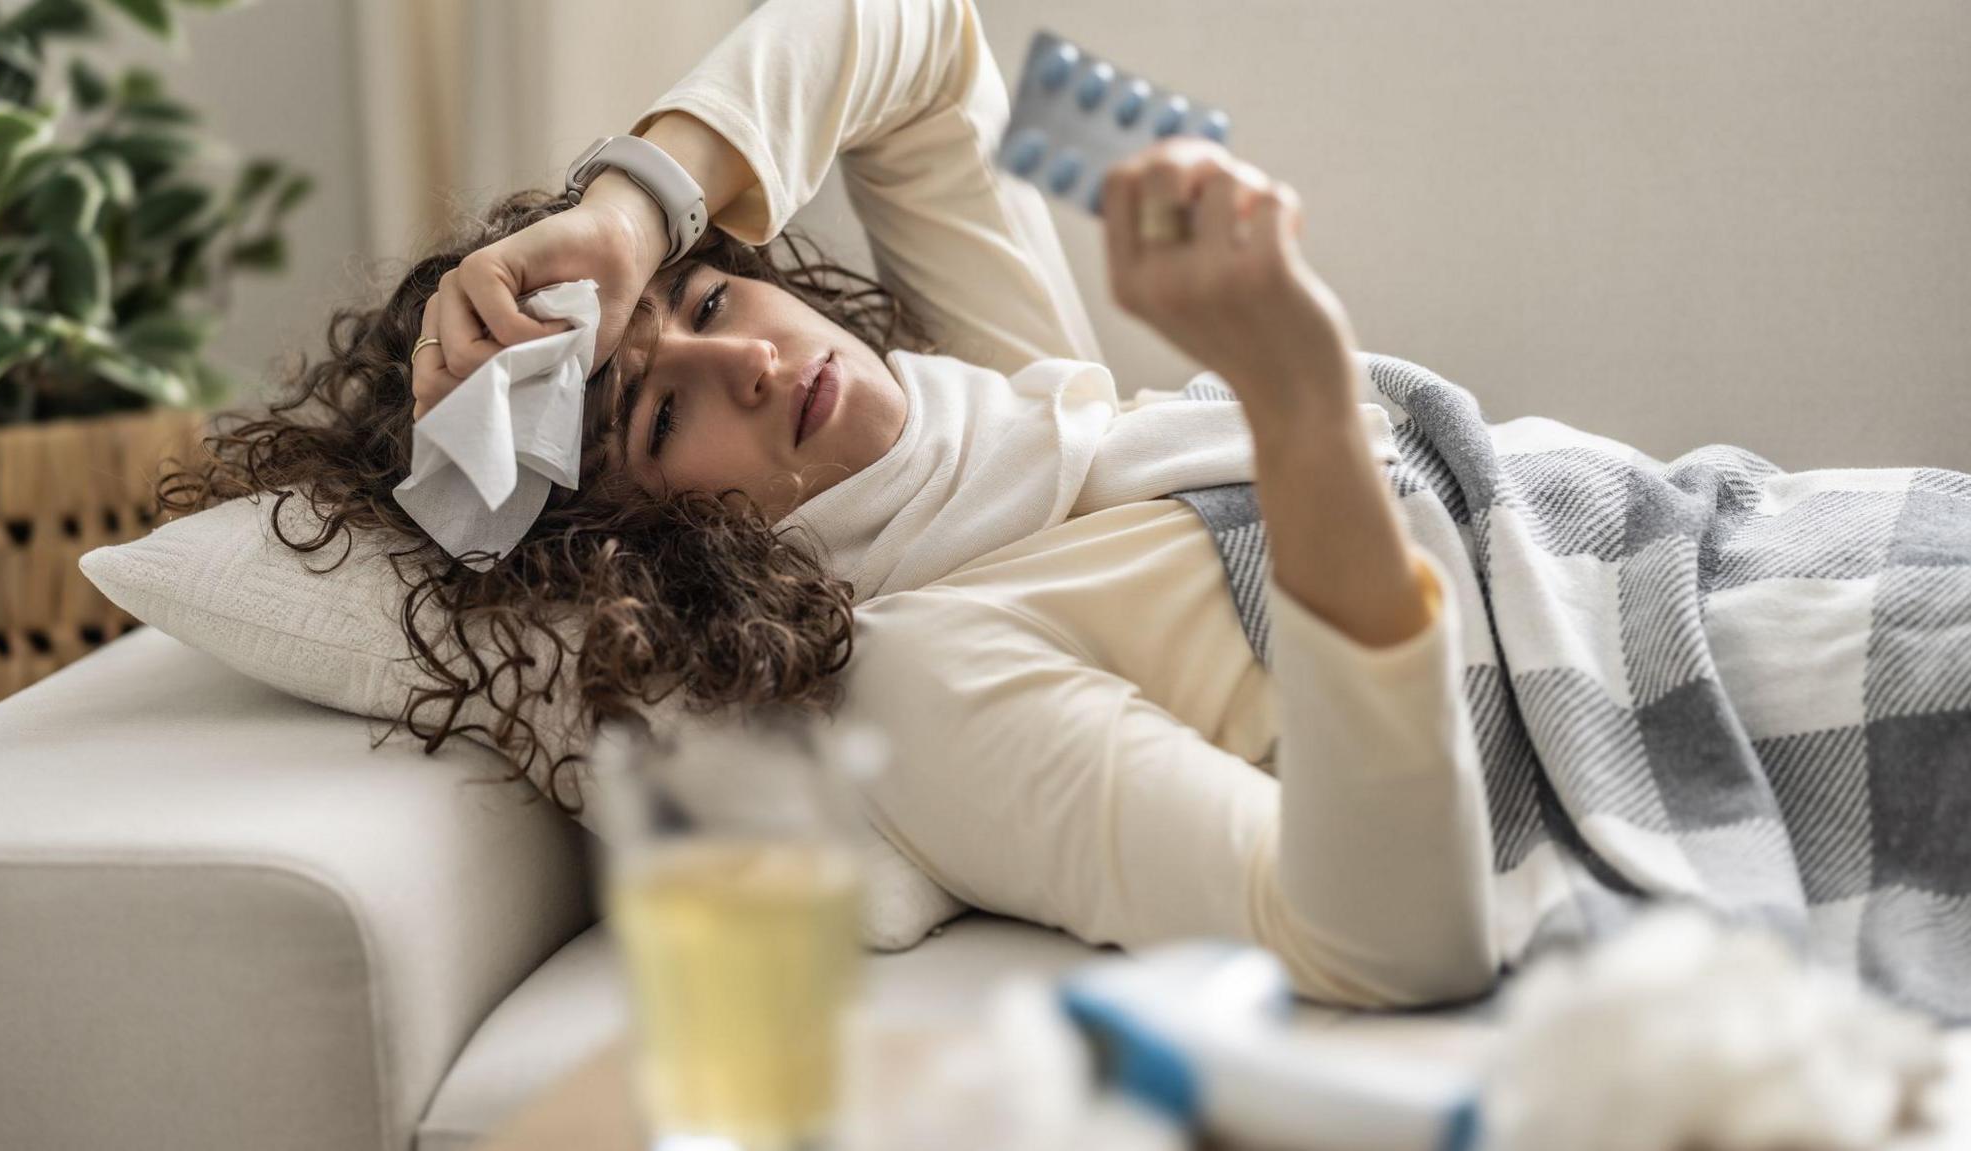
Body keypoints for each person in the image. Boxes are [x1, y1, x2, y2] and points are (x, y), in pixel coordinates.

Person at [164, 0, 1968, 1014]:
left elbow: (919, 33)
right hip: (1805, 693)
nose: (737, 361)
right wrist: (1301, 397)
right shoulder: (935, 676)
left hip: (1797, 539)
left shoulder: (1012, 397)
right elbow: (1384, 938)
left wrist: (632, 206)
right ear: (642, 548)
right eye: (651, 413)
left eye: (716, 303)